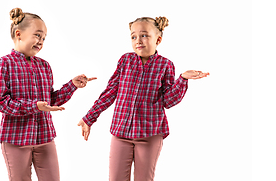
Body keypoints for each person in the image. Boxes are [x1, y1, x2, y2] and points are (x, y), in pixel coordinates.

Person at [78, 16, 209, 181]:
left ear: (158, 39)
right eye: (133, 36)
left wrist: (182, 79)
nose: (138, 40)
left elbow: (168, 101)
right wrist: (89, 117)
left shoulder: (165, 65)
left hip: (150, 134)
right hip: (121, 133)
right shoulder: (125, 61)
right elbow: (110, 92)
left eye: (144, 35)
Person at [0, 8, 96, 181]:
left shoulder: (44, 66)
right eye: (37, 35)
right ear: (19, 34)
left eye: (43, 38)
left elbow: (50, 101)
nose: (41, 41)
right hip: (16, 139)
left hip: (45, 136)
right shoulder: (4, 64)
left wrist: (72, 85)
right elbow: (0, 102)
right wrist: (34, 106)